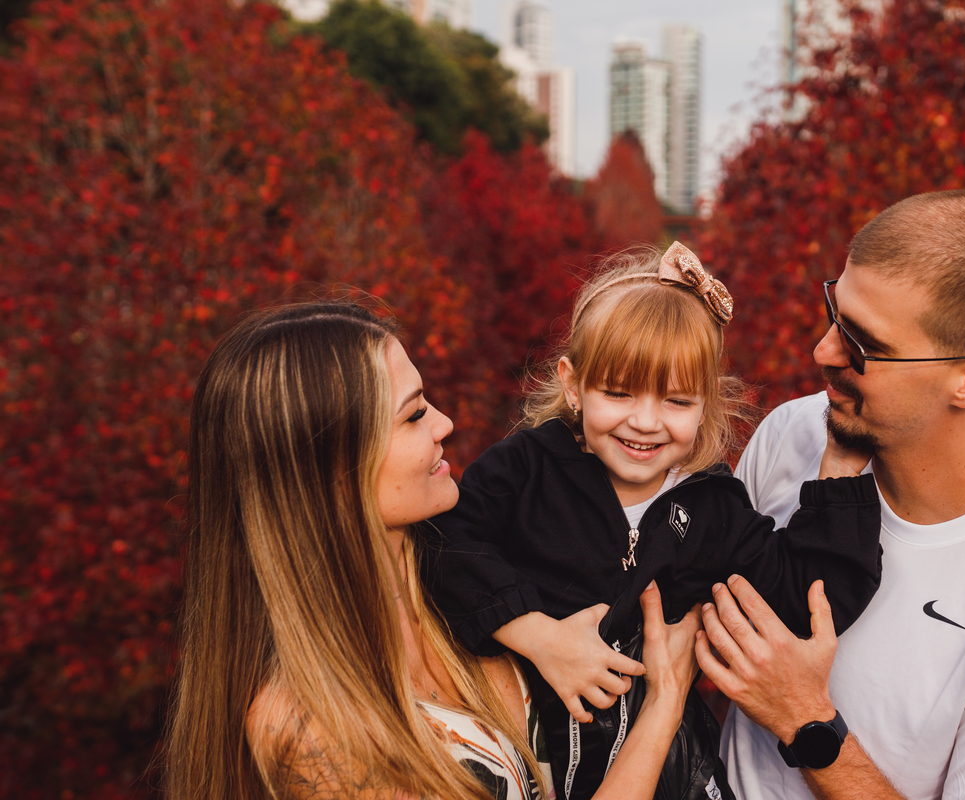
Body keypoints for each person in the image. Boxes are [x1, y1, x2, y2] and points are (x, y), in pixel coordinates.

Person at [164, 300, 705, 800]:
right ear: (331, 471)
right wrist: (663, 705)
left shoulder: (473, 586)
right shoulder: (309, 730)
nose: (445, 424)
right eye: (414, 414)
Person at [426, 244, 884, 800]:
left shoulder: (713, 508)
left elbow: (803, 596)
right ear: (574, 384)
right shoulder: (526, 469)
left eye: (676, 401)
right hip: (529, 757)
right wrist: (540, 637)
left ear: (706, 402)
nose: (644, 422)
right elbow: (444, 545)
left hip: (665, 770)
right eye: (618, 393)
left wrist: (842, 467)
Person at [698, 190, 965, 800]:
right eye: (835, 312)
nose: (823, 352)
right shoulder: (794, 434)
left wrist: (807, 722)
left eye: (864, 345)